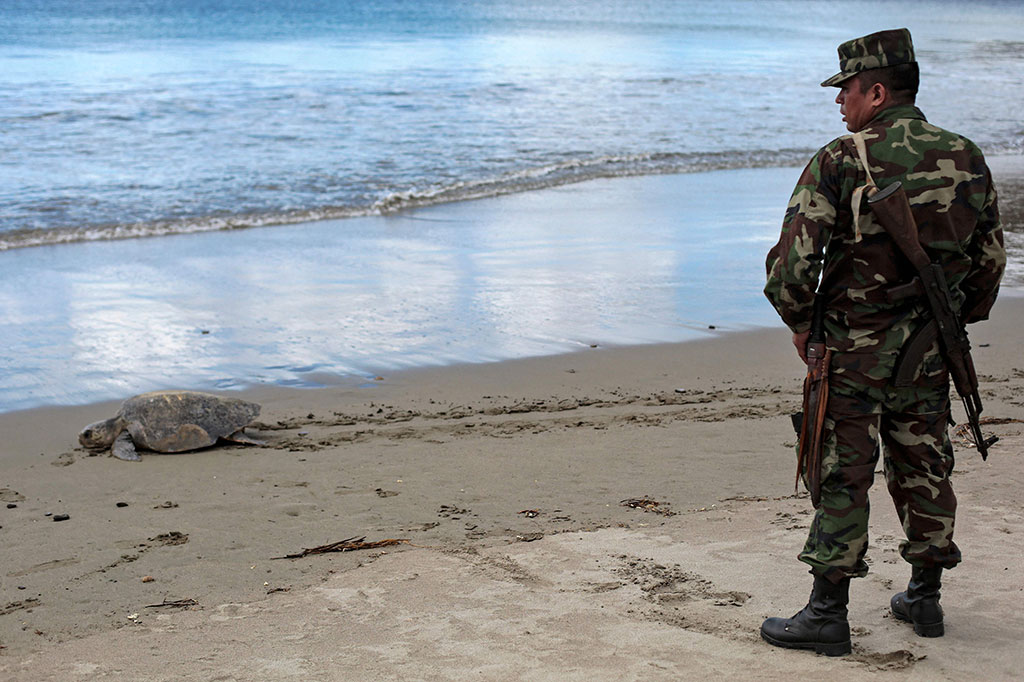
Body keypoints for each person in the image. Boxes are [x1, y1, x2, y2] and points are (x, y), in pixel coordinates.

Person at [760, 28, 1006, 656]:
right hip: (929, 345)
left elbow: (793, 266)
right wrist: (946, 323)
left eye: (845, 89)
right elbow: (990, 262)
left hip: (850, 346)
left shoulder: (843, 158)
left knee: (845, 468)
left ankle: (827, 613)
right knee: (923, 457)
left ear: (876, 91)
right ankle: (924, 598)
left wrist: (801, 323)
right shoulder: (967, 156)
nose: (839, 102)